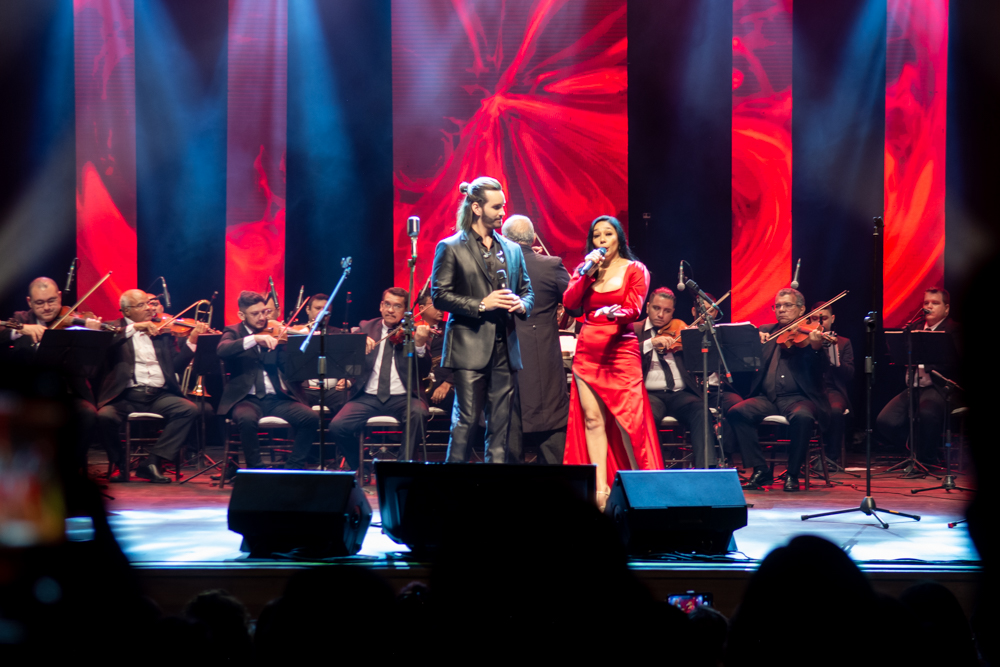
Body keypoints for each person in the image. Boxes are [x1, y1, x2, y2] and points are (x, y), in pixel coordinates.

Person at [562, 215, 663, 508]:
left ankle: (639, 487)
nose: (602, 239)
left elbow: (634, 308)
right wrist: (585, 273)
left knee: (628, 422)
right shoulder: (586, 269)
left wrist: (611, 313)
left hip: (620, 349)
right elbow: (570, 303)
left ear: (619, 238)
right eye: (597, 235)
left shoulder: (635, 269)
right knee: (592, 420)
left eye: (608, 233)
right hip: (588, 351)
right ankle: (600, 490)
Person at [431, 177, 534, 463]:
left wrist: (521, 305)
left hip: (505, 348)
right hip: (469, 348)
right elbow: (439, 295)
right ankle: (455, 486)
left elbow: (527, 291)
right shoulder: (451, 246)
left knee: (501, 427)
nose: (503, 212)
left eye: (503, 206)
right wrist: (481, 304)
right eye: (496, 207)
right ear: (476, 208)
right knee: (465, 422)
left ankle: (493, 487)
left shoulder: (512, 249)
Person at [96, 289, 204, 483]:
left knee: (189, 409)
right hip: (125, 396)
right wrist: (135, 328)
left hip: (158, 396)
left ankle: (152, 462)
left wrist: (192, 341)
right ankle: (121, 463)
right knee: (104, 416)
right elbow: (107, 345)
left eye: (149, 303)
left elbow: (176, 367)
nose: (149, 308)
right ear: (126, 311)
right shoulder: (113, 328)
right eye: (142, 305)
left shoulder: (161, 332)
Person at [728, 288, 830, 492]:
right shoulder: (767, 331)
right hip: (768, 398)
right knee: (737, 412)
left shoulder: (810, 334)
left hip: (799, 398)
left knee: (803, 417)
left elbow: (822, 370)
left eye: (787, 305)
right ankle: (760, 470)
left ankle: (792, 474)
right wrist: (754, 344)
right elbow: (746, 364)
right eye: (778, 306)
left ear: (801, 309)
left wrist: (816, 348)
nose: (781, 310)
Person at [2, 277, 106, 470]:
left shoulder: (74, 319)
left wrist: (93, 334)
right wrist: (21, 329)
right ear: (29, 302)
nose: (47, 308)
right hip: (30, 396)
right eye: (40, 303)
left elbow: (94, 361)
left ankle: (68, 468)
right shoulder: (21, 319)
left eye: (52, 301)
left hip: (69, 394)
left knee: (88, 414)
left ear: (59, 296)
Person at [216, 291, 319, 476]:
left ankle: (293, 468)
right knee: (247, 420)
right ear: (242, 315)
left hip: (276, 398)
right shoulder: (233, 331)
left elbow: (289, 369)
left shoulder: (275, 332)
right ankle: (256, 471)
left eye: (264, 312)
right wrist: (255, 339)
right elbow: (222, 350)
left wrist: (297, 348)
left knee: (310, 418)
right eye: (255, 314)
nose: (262, 317)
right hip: (246, 399)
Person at [327, 287, 432, 467]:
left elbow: (424, 369)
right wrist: (358, 343)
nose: (391, 310)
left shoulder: (414, 331)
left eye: (397, 306)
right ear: (381, 306)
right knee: (337, 426)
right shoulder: (366, 327)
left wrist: (420, 346)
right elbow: (345, 356)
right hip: (367, 397)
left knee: (419, 413)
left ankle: (402, 469)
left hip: (403, 397)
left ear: (405, 311)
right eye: (387, 305)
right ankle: (363, 468)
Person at [501, 215, 572, 464]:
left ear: (504, 238)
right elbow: (575, 305)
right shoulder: (550, 265)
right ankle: (557, 484)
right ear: (532, 239)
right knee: (550, 423)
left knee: (508, 426)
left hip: (504, 353)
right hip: (542, 356)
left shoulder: (492, 265)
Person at [635, 287, 721, 468]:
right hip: (649, 394)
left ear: (673, 312)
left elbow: (701, 369)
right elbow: (624, 353)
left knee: (701, 410)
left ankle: (706, 470)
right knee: (645, 416)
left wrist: (695, 347)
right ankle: (655, 469)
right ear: (647, 307)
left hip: (680, 393)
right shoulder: (634, 330)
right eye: (656, 308)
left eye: (667, 311)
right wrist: (650, 343)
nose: (661, 315)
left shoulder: (681, 330)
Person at [876, 287, 960, 466]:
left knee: (927, 414)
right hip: (913, 387)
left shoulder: (953, 329)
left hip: (938, 388)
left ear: (946, 308)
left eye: (935, 303)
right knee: (885, 421)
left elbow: (957, 361)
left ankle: (927, 460)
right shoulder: (914, 327)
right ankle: (914, 449)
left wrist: (926, 361)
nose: (929, 306)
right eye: (926, 303)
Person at [808, 302, 853, 465]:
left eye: (824, 319)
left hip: (832, 390)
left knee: (835, 410)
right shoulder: (805, 341)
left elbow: (849, 375)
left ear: (832, 319)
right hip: (810, 389)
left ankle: (831, 459)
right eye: (815, 319)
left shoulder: (843, 342)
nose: (819, 323)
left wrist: (836, 360)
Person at [296, 293, 350, 416]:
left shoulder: (339, 334)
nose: (322, 313)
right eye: (317, 308)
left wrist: (348, 381)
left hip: (334, 390)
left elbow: (351, 362)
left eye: (326, 310)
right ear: (308, 309)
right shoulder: (297, 332)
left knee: (348, 402)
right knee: (296, 406)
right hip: (306, 389)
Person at [416, 290, 453, 410]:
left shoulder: (451, 330)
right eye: (436, 305)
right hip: (416, 386)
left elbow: (464, 359)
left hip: (443, 385)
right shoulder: (410, 330)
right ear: (422, 308)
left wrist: (448, 383)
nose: (441, 309)